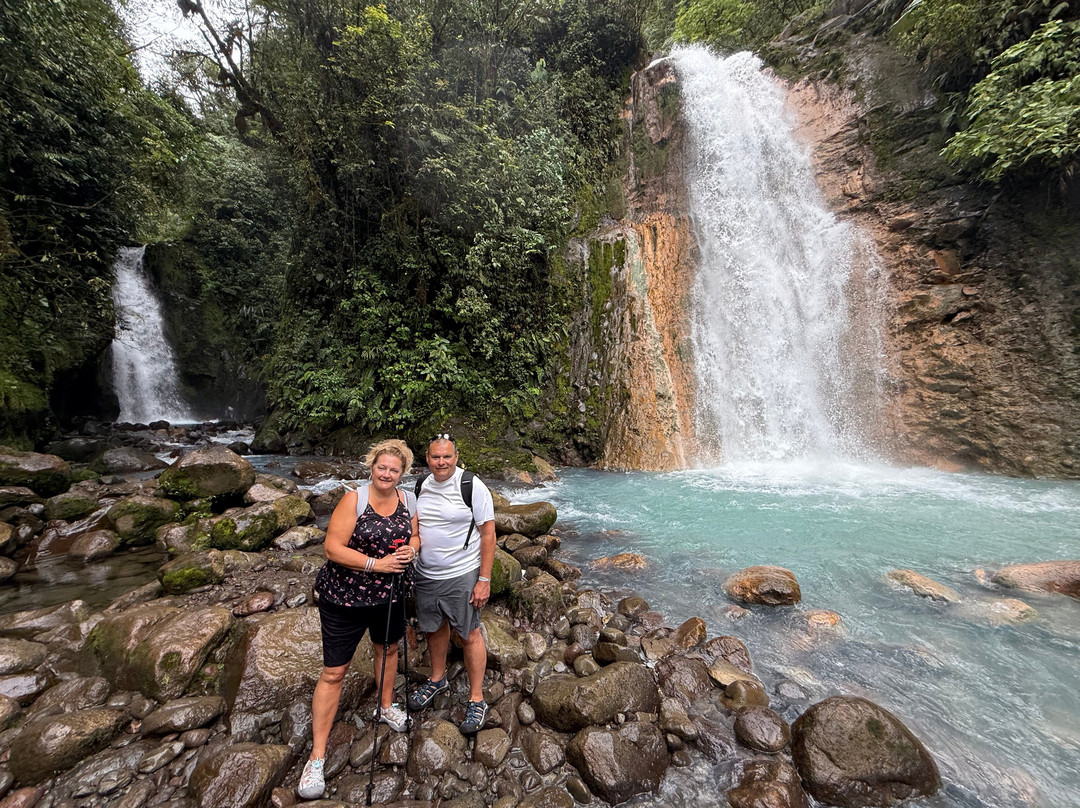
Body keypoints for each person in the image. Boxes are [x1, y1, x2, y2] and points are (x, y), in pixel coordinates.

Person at [298, 439, 420, 801]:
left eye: (394, 470)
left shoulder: (408, 500)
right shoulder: (355, 499)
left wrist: (413, 548)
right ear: (371, 467)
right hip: (344, 598)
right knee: (334, 671)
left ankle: (385, 707)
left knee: (388, 649)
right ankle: (317, 756)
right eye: (381, 467)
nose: (387, 474)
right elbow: (332, 548)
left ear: (402, 473)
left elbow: (414, 534)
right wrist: (376, 564)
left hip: (390, 595)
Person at [407, 434, 496, 734]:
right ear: (427, 458)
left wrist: (484, 579)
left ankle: (477, 698)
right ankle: (437, 678)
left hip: (462, 573)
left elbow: (488, 534)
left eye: (447, 457)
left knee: (469, 632)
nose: (441, 462)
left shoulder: (471, 485)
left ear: (456, 457)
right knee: (432, 628)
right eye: (435, 457)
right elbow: (415, 529)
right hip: (426, 574)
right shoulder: (421, 486)